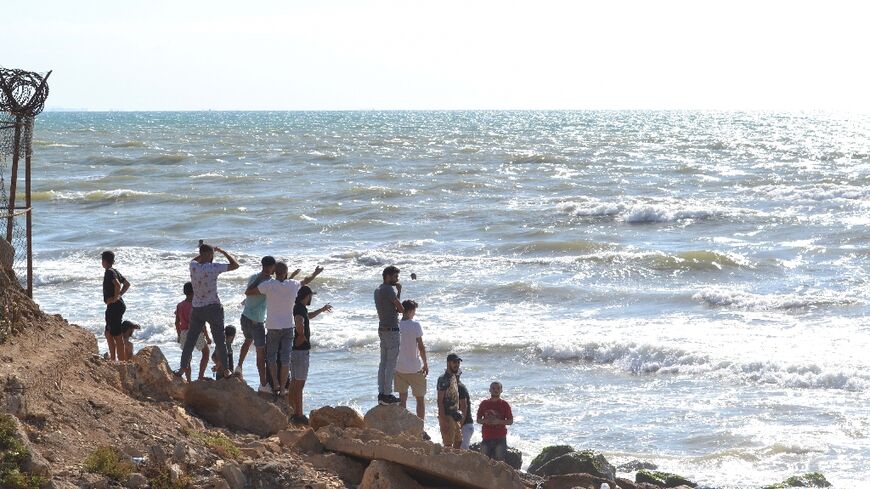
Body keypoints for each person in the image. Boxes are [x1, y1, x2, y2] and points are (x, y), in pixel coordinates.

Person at [246, 261, 323, 398]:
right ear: (286, 273)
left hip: (273, 326)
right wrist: (315, 273)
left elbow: (249, 292)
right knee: (285, 359)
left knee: (271, 357)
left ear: (274, 272)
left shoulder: (268, 285)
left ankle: (274, 383)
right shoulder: (292, 284)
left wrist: (260, 278)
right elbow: (306, 280)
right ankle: (282, 388)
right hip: (288, 327)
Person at [177, 243, 239, 379]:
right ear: (210, 255)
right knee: (220, 340)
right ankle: (226, 370)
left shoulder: (193, 266)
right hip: (213, 307)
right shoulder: (214, 267)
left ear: (200, 254)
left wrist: (204, 253)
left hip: (197, 308)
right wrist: (222, 251)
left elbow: (196, 259)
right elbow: (235, 265)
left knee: (190, 341)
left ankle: (182, 369)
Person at [289, 285, 332, 424]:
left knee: (294, 382)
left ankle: (292, 410)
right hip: (301, 351)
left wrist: (321, 309)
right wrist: (302, 335)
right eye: (310, 296)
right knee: (299, 384)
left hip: (296, 350)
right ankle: (299, 414)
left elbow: (307, 317)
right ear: (306, 296)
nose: (311, 298)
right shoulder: (299, 309)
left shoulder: (299, 307)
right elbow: (299, 322)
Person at [236, 256, 276, 391]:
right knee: (261, 353)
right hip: (256, 320)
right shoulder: (269, 282)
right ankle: (263, 384)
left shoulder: (253, 276)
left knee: (247, 341)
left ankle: (239, 367)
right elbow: (249, 292)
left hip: (245, 316)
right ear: (272, 267)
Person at [374, 265, 404, 405]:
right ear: (388, 276)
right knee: (391, 364)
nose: (396, 279)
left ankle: (381, 393)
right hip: (391, 329)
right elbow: (400, 309)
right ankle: (387, 394)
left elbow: (393, 308)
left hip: (382, 328)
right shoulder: (388, 289)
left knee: (383, 363)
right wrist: (399, 292)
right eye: (395, 277)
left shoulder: (378, 290)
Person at [394, 299, 428, 419]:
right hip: (414, 367)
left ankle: (404, 427)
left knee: (402, 400)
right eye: (414, 311)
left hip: (399, 367)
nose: (414, 313)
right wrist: (426, 364)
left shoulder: (396, 325)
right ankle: (421, 428)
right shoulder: (415, 325)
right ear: (411, 311)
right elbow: (421, 346)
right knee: (420, 400)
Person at [175, 282, 211, 382]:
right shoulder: (196, 305)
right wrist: (207, 337)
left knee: (187, 357)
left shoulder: (180, 305)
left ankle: (189, 380)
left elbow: (177, 322)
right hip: (195, 332)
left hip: (184, 333)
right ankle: (200, 376)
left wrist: (179, 335)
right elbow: (202, 323)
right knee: (206, 353)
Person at [101, 250, 131, 362]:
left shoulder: (109, 272)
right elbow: (127, 284)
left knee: (115, 335)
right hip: (118, 305)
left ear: (104, 261)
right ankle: (115, 359)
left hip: (114, 306)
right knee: (109, 333)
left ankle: (118, 361)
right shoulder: (115, 271)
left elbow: (118, 285)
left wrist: (115, 298)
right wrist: (119, 295)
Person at [476, 381, 513, 462]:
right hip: (486, 437)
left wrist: (498, 421)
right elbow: (478, 420)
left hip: (500, 438)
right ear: (489, 390)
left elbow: (510, 421)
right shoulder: (484, 403)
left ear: (501, 390)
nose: (495, 390)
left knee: (499, 463)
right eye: (493, 388)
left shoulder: (505, 404)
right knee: (483, 461)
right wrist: (486, 421)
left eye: (498, 388)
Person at [437, 353, 465, 449]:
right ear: (448, 363)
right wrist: (443, 419)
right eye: (454, 362)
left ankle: (454, 461)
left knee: (459, 440)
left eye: (458, 362)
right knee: (448, 444)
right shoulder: (443, 379)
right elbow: (440, 401)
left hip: (454, 414)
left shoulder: (453, 376)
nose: (457, 364)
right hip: (447, 415)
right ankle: (446, 461)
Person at [457, 373, 473, 449]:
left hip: (465, 424)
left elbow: (464, 407)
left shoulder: (460, 387)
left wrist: (460, 425)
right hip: (464, 424)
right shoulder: (456, 387)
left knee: (462, 450)